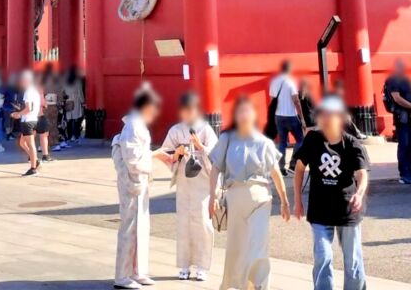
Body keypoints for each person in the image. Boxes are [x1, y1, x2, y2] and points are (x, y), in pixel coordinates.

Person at [209, 95, 290, 290]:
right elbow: (215, 169)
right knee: (237, 248)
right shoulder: (227, 139)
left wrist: (285, 201)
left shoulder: (264, 142)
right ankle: (239, 285)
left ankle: (259, 285)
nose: (244, 115)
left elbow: (276, 173)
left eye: (248, 111)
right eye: (241, 111)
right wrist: (212, 196)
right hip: (235, 198)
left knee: (258, 245)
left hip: (261, 199)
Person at [291, 95, 368, 290]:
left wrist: (359, 194)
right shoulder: (313, 139)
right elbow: (299, 169)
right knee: (323, 256)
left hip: (347, 209)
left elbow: (361, 173)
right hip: (320, 209)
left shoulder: (352, 144)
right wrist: (298, 200)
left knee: (353, 261)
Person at [155, 92, 217, 282]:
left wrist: (200, 147)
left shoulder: (206, 130)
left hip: (202, 183)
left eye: (191, 110)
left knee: (203, 224)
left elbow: (216, 158)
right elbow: (164, 153)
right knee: (184, 224)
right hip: (184, 181)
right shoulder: (175, 130)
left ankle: (202, 266)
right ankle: (184, 265)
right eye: (184, 110)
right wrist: (176, 155)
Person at [111, 86, 161, 290]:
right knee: (129, 227)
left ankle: (138, 271)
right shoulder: (132, 126)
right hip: (131, 181)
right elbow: (132, 159)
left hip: (139, 180)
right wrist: (152, 160)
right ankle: (122, 275)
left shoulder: (138, 124)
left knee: (141, 226)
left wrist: (151, 158)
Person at [381, 60, 411, 185]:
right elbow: (396, 98)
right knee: (404, 144)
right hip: (401, 116)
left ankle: (410, 171)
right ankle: (404, 174)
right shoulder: (392, 80)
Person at [267, 61, 304, 174]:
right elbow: (296, 101)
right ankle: (293, 164)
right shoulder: (290, 82)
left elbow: (272, 100)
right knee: (301, 140)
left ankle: (281, 167)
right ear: (289, 69)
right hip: (291, 116)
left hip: (278, 116)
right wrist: (301, 117)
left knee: (282, 143)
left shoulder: (274, 82)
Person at [14, 70, 42, 176]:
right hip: (33, 119)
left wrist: (18, 114)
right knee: (22, 143)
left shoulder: (28, 92)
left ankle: (33, 168)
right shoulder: (35, 91)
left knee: (31, 145)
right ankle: (35, 161)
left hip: (28, 120)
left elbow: (28, 108)